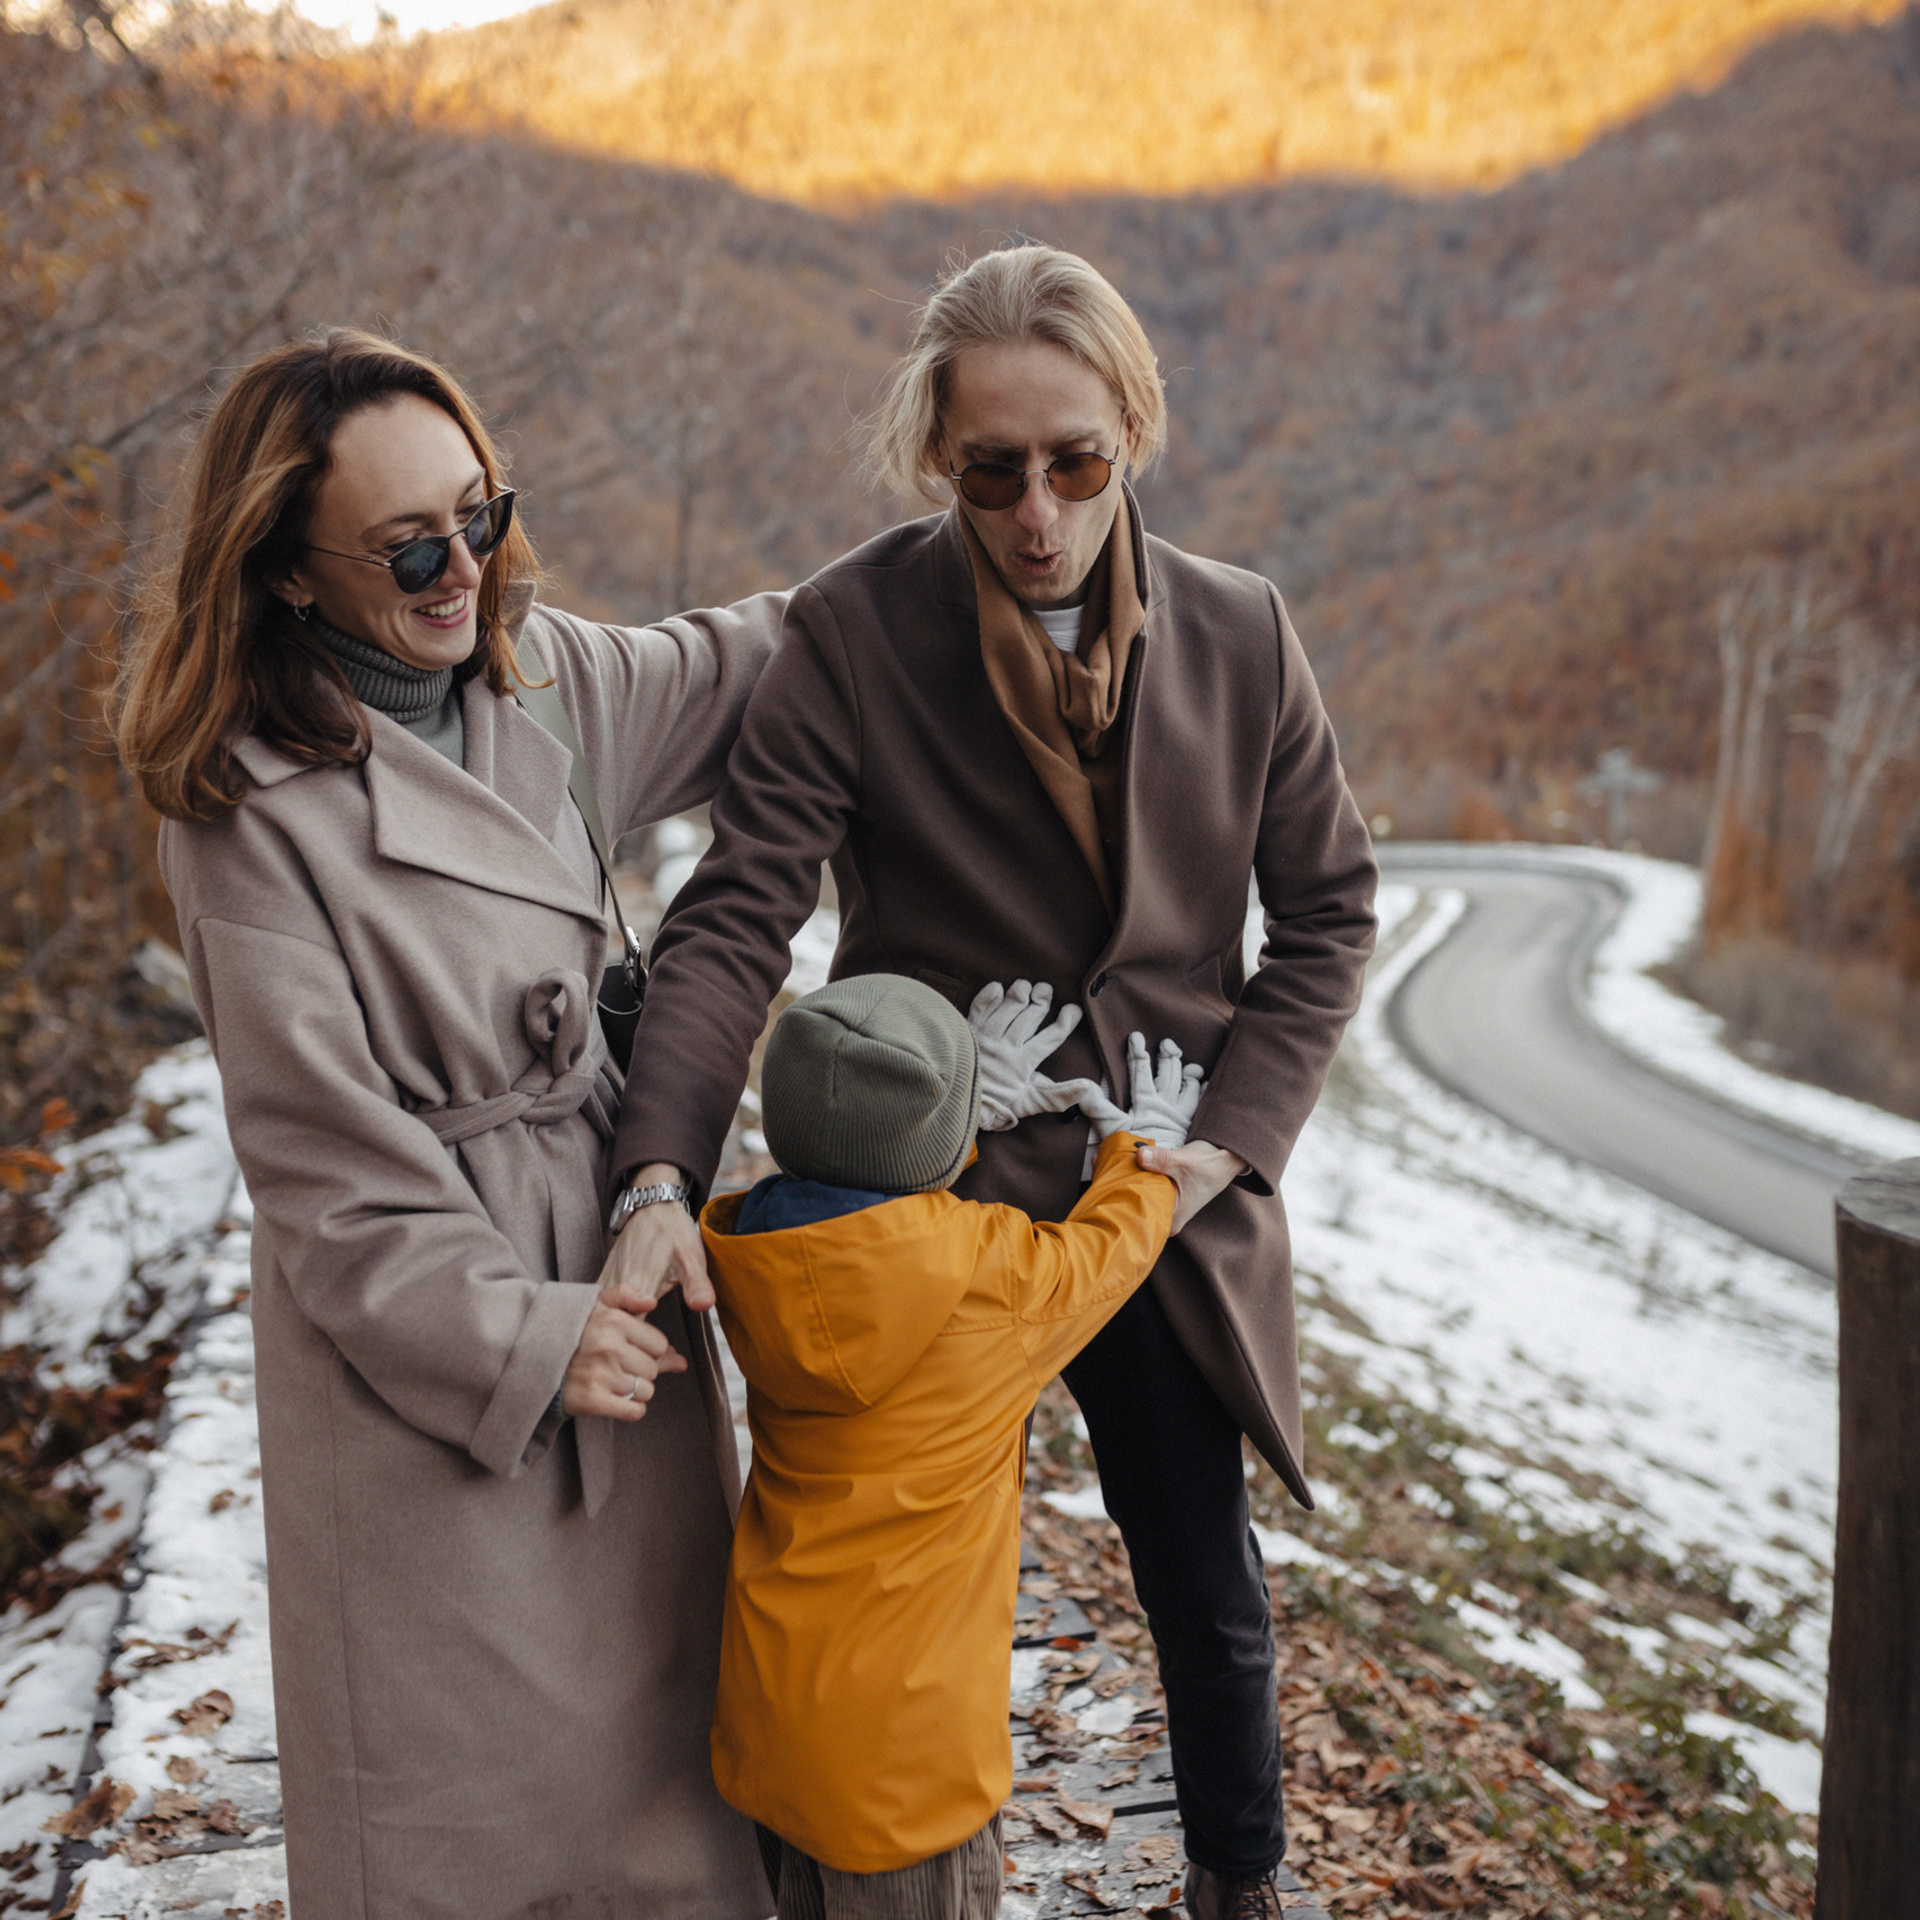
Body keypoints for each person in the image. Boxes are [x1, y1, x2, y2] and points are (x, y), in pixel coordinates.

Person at [602, 242, 1379, 1920]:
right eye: (993, 469)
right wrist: (658, 1175)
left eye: (1076, 462)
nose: (1037, 510)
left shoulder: (1244, 633)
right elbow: (737, 916)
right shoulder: (853, 630)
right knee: (878, 1599)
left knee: (1203, 1577)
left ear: (1134, 434)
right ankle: (851, 1870)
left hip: (1157, 1205)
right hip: (923, 1213)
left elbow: (1329, 912)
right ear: (939, 459)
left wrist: (1225, 1153)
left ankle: (1240, 1883)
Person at [115, 327, 785, 1920]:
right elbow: (324, 1177)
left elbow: (768, 658)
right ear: (284, 569)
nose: (460, 568)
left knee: (679, 1806)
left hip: (625, 1268)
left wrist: (976, 522)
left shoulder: (544, 686)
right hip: (444, 1367)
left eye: (480, 516)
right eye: (411, 543)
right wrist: (528, 1341)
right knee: (475, 1837)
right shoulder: (245, 812)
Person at [701, 973, 1202, 1920]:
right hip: (906, 1769)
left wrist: (958, 1126)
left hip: (768, 1717)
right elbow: (1108, 1256)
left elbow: (868, 1229)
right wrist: (1142, 1149)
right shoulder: (993, 1277)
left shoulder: (746, 1249)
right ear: (934, 1140)